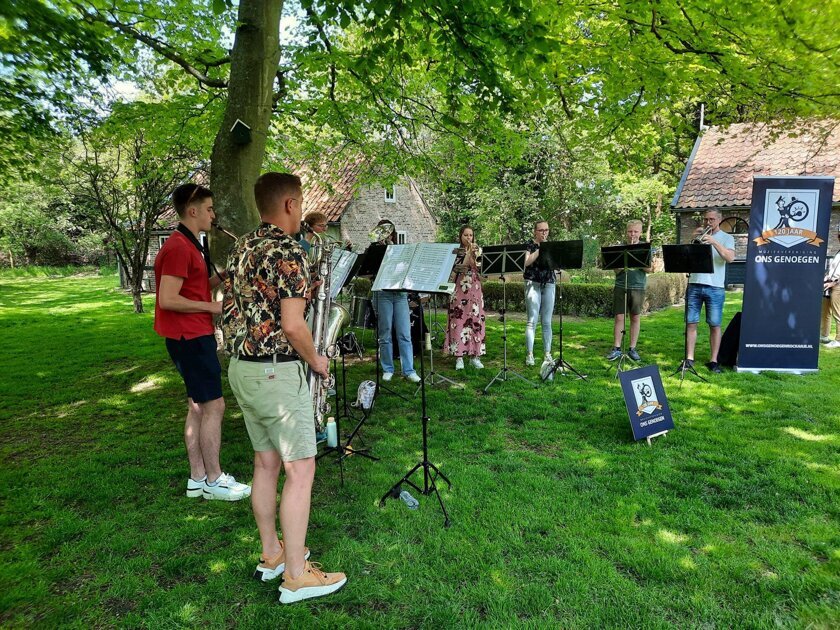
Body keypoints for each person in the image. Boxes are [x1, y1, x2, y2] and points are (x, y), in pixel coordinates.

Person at [222, 172, 346, 603]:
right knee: (301, 470)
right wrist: (318, 361)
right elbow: (294, 325)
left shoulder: (241, 245)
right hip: (275, 371)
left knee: (265, 463)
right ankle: (296, 575)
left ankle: (273, 553)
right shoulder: (290, 251)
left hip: (242, 368)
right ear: (291, 205)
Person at [153, 183, 251, 501]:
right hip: (190, 336)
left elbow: (194, 286)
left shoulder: (192, 244)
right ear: (192, 210)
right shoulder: (179, 247)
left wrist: (225, 275)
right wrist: (214, 307)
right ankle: (214, 480)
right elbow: (168, 298)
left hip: (191, 334)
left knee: (197, 407)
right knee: (214, 406)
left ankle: (197, 478)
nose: (214, 214)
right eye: (209, 209)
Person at [685, 210, 736, 373]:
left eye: (712, 219)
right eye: (706, 219)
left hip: (715, 287)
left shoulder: (727, 238)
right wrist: (693, 240)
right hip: (694, 283)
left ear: (719, 220)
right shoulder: (698, 236)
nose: (708, 222)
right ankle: (689, 358)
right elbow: (687, 257)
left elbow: (730, 258)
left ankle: (713, 360)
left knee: (714, 324)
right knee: (691, 322)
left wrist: (714, 242)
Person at [370, 219, 421, 383]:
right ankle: (388, 368)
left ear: (393, 233)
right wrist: (379, 248)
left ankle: (409, 370)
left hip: (399, 295)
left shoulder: (400, 249)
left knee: (404, 334)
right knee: (385, 334)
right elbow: (370, 271)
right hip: (383, 294)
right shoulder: (374, 250)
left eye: (389, 231)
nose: (386, 234)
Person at [606, 220, 652, 362]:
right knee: (619, 317)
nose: (633, 234)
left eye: (636, 232)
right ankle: (617, 348)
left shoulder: (645, 248)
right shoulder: (619, 247)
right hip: (621, 285)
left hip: (638, 286)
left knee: (635, 317)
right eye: (630, 231)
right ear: (626, 232)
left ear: (640, 232)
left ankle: (632, 348)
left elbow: (649, 269)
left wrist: (636, 257)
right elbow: (615, 269)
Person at [445, 225, 486, 369]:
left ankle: (475, 356)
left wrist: (476, 256)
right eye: (466, 235)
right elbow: (458, 269)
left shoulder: (478, 251)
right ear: (460, 236)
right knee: (459, 321)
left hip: (475, 289)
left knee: (476, 321)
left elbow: (482, 274)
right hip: (460, 289)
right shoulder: (456, 251)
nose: (469, 238)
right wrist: (468, 254)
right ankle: (459, 357)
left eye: (471, 235)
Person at [523, 220, 555, 366]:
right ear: (535, 231)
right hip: (532, 283)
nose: (544, 233)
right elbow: (526, 262)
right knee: (532, 320)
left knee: (547, 321)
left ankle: (547, 353)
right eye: (541, 230)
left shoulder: (551, 246)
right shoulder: (529, 245)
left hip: (549, 283)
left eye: (546, 230)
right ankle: (530, 354)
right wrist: (539, 249)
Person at [821, 228, 840, 348]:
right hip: (828, 284)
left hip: (837, 286)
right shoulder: (838, 252)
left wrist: (834, 282)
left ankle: (838, 340)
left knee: (837, 313)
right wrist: (826, 278)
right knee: (825, 311)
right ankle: (824, 336)